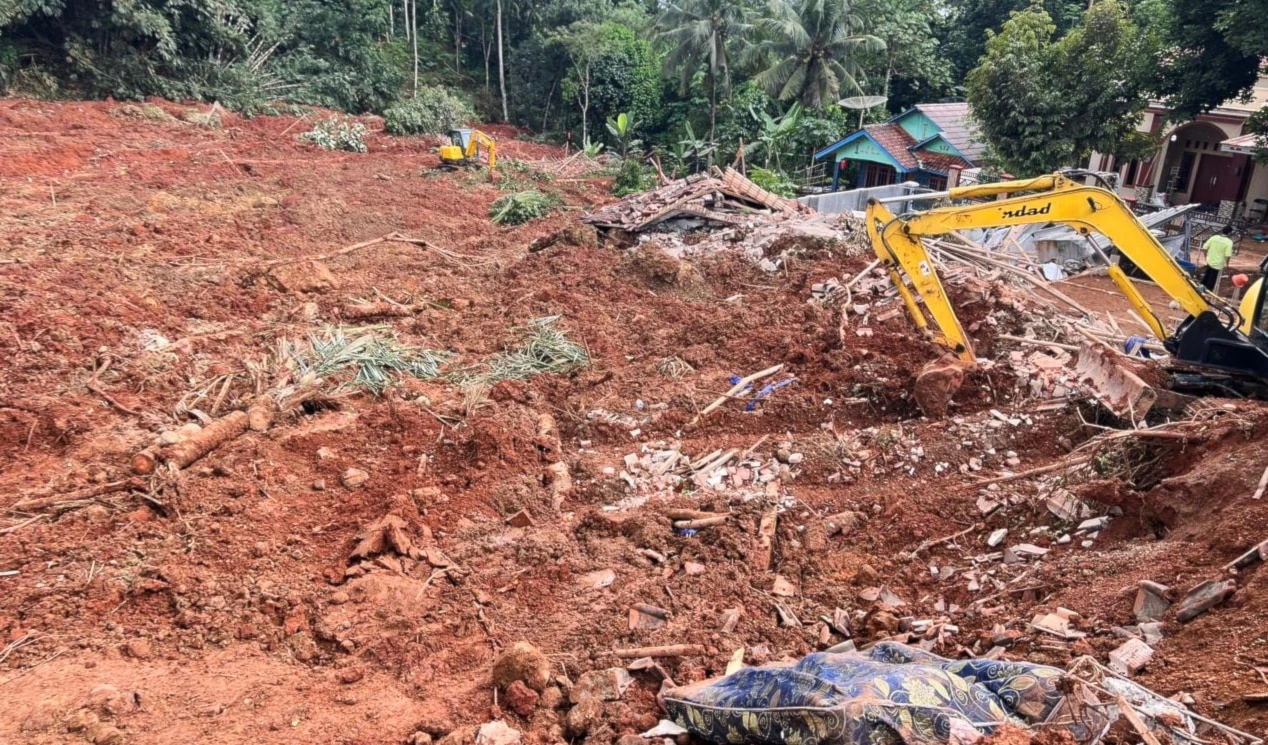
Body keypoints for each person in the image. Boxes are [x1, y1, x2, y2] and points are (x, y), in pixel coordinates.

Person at [1201, 226, 1235, 291]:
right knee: (1212, 279)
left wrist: (1206, 257)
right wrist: (1227, 265)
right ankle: (1207, 291)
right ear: (1230, 233)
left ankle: (1201, 288)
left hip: (1210, 260)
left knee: (1207, 275)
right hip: (1219, 264)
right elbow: (1227, 255)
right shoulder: (1229, 242)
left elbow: (1204, 247)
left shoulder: (1214, 237)